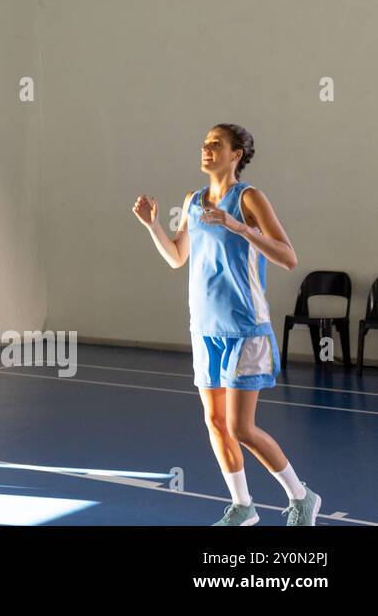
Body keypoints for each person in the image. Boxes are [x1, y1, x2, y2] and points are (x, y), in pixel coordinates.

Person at [132, 124, 319, 525]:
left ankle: (302, 497)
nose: (207, 149)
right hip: (205, 330)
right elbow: (177, 257)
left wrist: (238, 226)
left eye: (216, 144)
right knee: (216, 423)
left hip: (246, 329)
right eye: (204, 143)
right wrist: (152, 226)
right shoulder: (193, 201)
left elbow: (288, 257)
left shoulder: (249, 198)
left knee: (242, 427)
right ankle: (243, 507)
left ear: (236, 154)